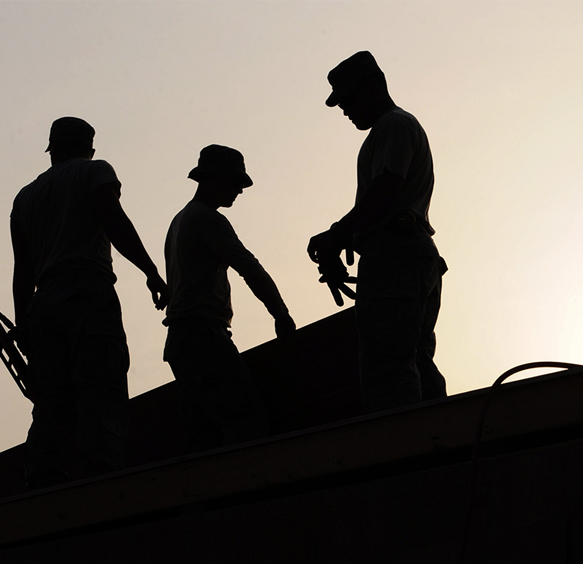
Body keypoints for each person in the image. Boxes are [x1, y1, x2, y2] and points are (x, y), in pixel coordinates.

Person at [11, 117, 168, 489]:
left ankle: (43, 482)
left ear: (52, 151)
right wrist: (150, 270)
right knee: (102, 386)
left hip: (43, 305)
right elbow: (114, 222)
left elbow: (23, 271)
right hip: (86, 293)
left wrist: (23, 326)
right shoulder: (95, 172)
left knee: (51, 403)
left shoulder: (25, 197)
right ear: (89, 148)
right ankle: (104, 480)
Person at [308, 51, 447, 412]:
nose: (344, 110)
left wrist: (338, 235)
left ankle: (404, 452)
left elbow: (386, 190)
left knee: (389, 365)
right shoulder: (390, 130)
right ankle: (440, 443)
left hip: (397, 256)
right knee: (414, 360)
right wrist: (348, 240)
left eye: (348, 99)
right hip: (408, 254)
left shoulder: (393, 125)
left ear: (373, 86)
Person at [163, 144, 296, 452]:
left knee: (203, 435)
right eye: (234, 182)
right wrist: (280, 313)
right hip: (202, 338)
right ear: (212, 179)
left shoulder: (180, 220)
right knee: (246, 421)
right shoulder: (207, 219)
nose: (239, 190)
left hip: (182, 342)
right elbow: (248, 267)